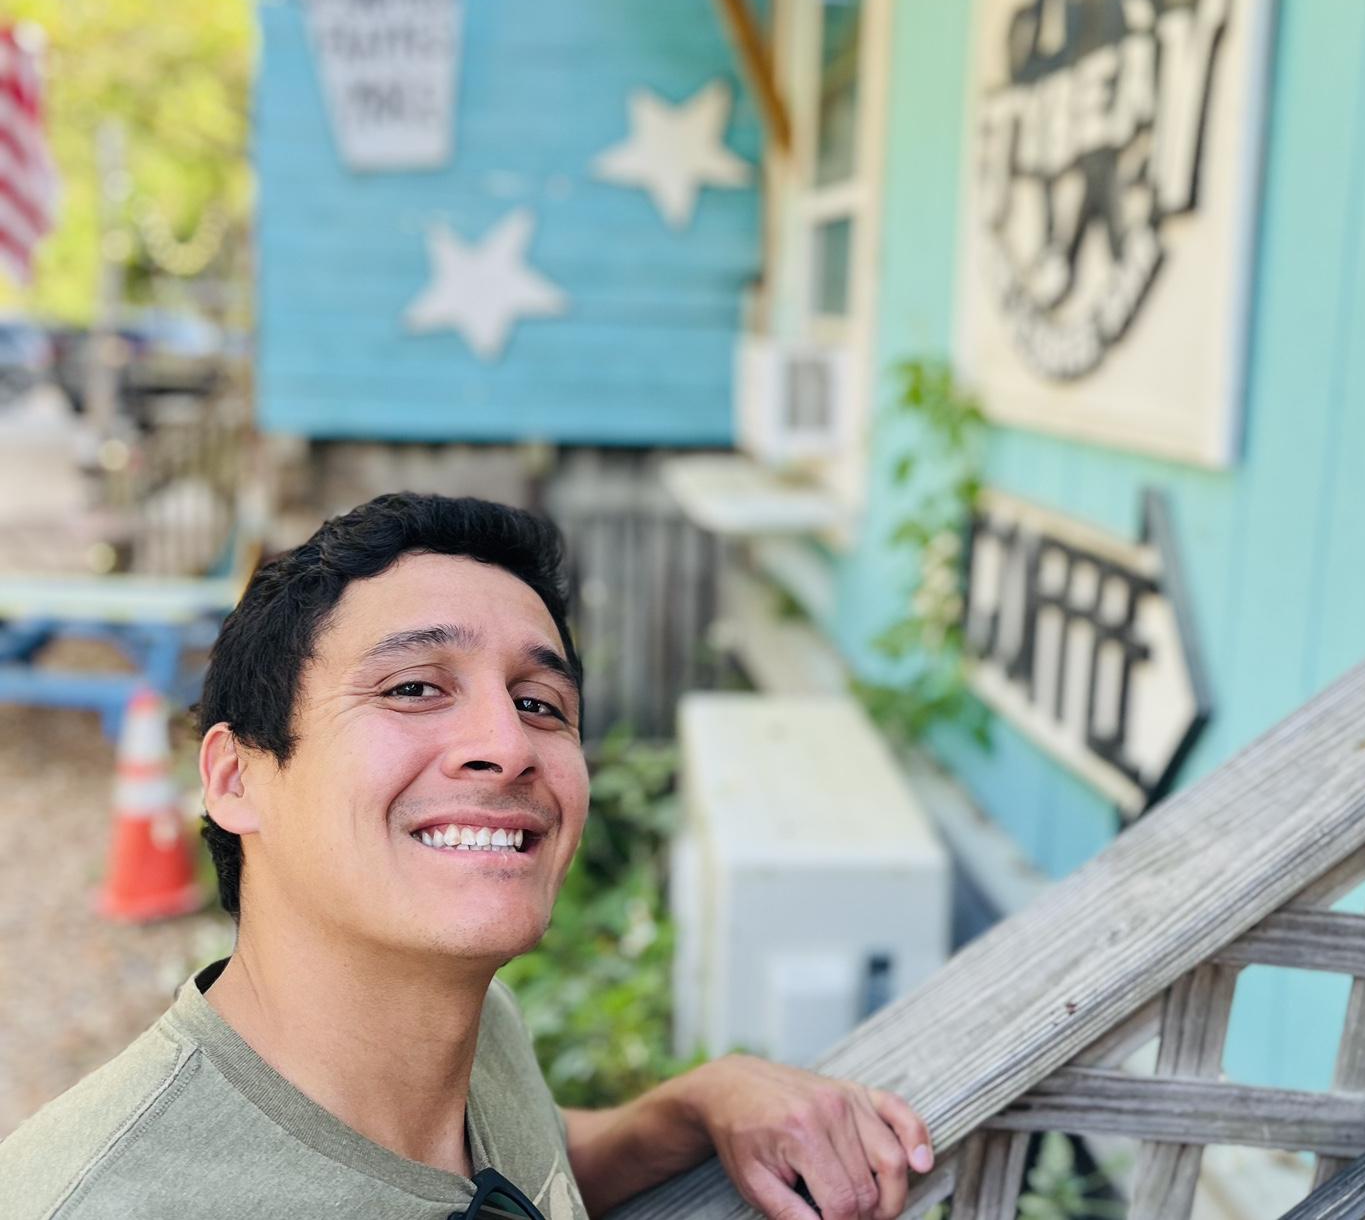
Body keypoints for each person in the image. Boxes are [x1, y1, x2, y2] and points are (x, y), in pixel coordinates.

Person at [1, 493, 934, 1219]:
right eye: (414, 687)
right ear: (237, 779)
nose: (508, 743)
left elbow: (526, 1158)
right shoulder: (98, 1199)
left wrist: (692, 1106)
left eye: (540, 702)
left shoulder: (479, 1032)